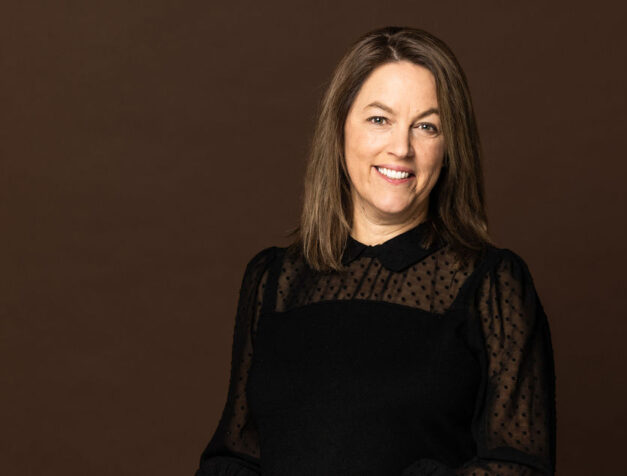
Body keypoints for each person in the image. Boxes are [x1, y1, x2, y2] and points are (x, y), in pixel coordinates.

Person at [194, 26, 556, 476]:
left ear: (450, 147)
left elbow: (519, 465)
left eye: (426, 126)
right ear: (339, 127)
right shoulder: (273, 280)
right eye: (379, 119)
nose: (401, 148)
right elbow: (236, 455)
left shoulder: (493, 284)